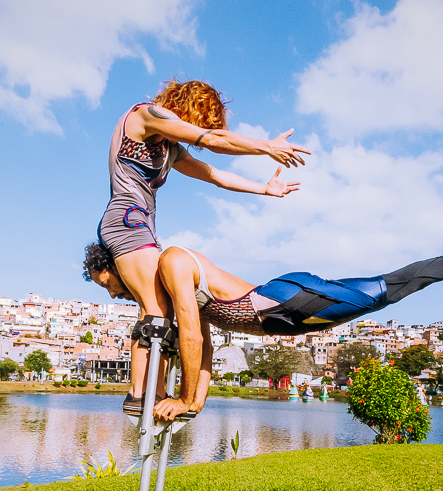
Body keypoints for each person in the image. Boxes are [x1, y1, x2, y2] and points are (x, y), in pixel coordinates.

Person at [81, 235, 443, 421]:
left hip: (288, 303)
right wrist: (194, 401)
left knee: (383, 292)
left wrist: (186, 399)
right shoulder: (165, 287)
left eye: (110, 285)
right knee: (381, 293)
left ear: (122, 265)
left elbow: (195, 338)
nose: (115, 295)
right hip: (283, 317)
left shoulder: (172, 262)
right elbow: (206, 345)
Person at [97, 79, 309, 414]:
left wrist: (264, 189)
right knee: (156, 307)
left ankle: (150, 393)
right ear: (189, 107)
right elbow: (211, 140)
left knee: (161, 308)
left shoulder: (169, 147)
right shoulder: (146, 115)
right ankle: (140, 395)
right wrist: (266, 147)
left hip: (142, 225)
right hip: (126, 220)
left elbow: (214, 175)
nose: (198, 130)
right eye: (200, 120)